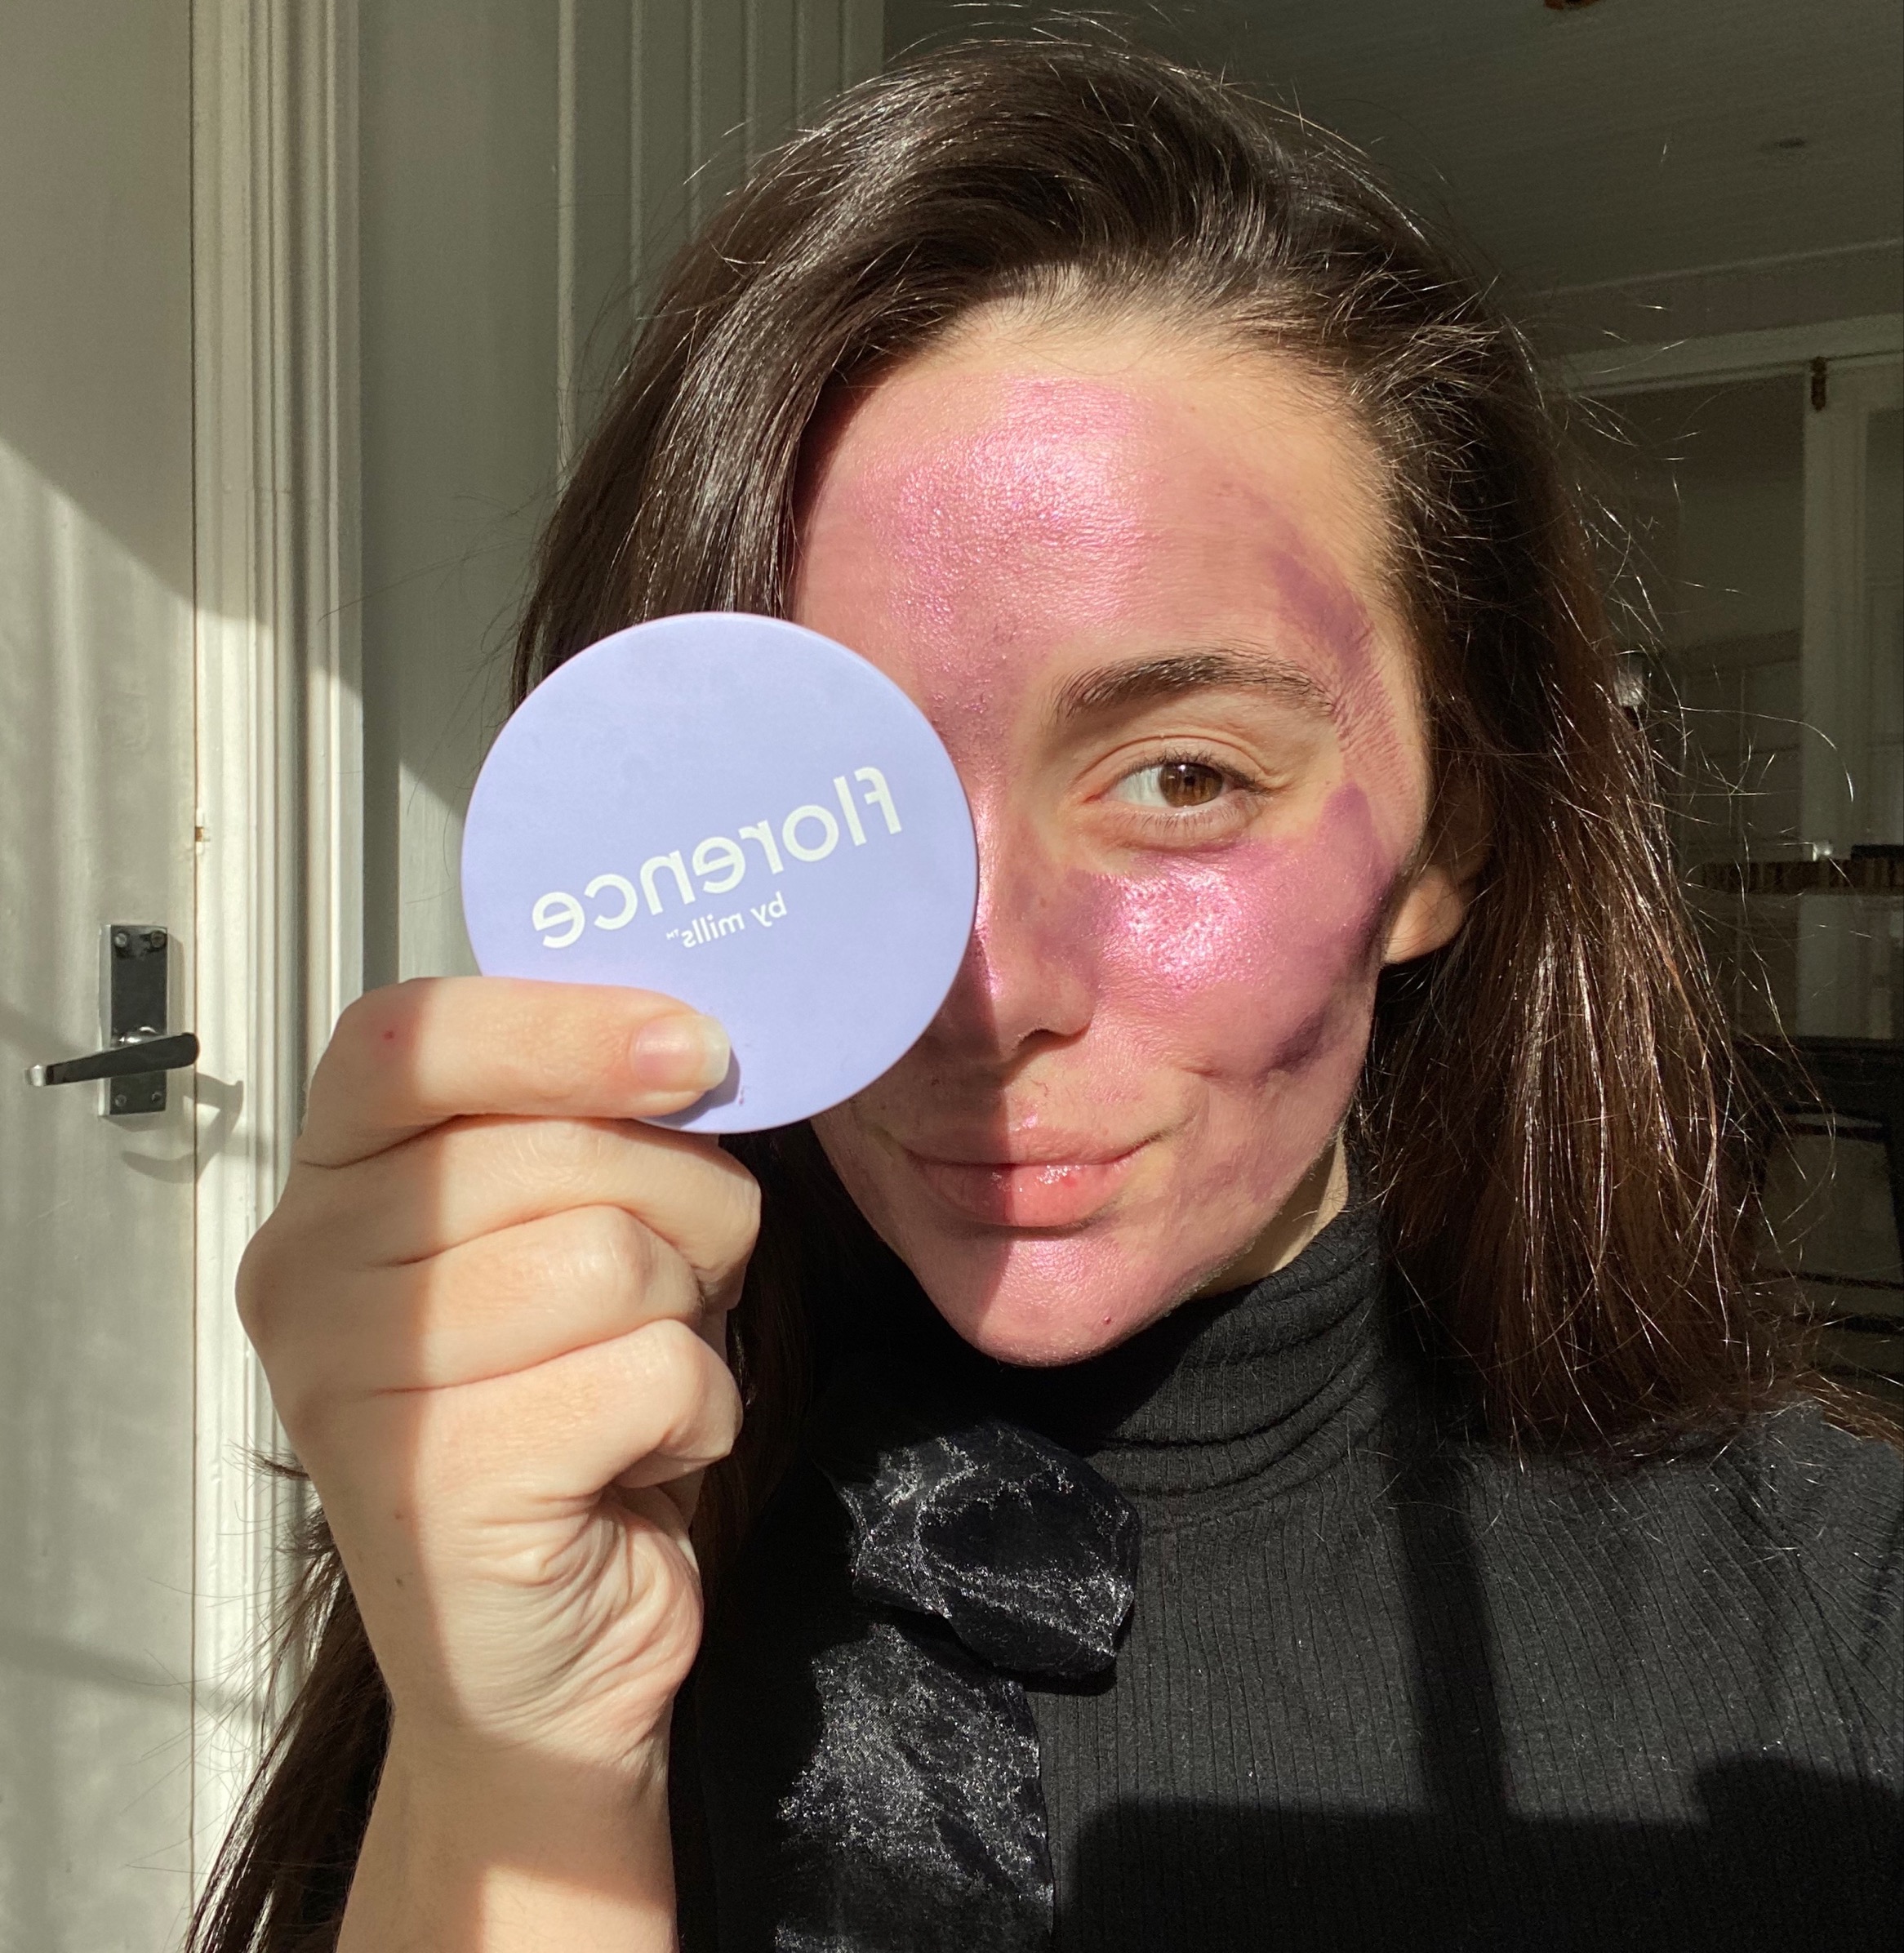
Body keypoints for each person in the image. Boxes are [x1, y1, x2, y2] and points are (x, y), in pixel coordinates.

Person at [193, 39, 1902, 1953]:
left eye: (1182, 774)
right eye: (846, 805)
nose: (986, 991)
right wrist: (508, 1754)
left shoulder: (1837, 1647)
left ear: (1447, 836)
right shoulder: (570, 1509)